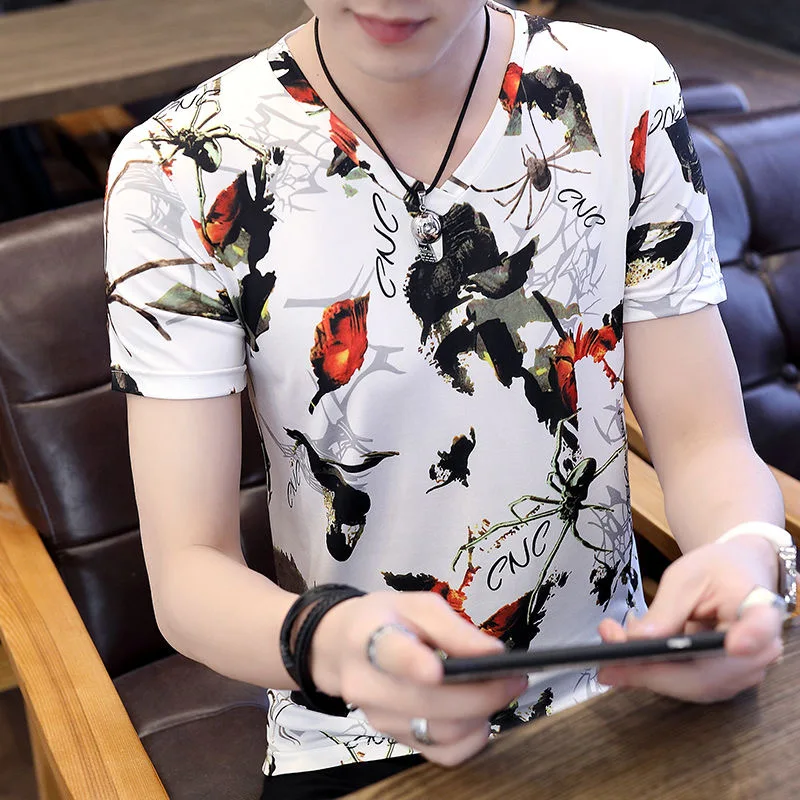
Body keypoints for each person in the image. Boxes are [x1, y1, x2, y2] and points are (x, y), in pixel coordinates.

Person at [103, 2, 795, 798]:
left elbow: (707, 443)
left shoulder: (620, 89)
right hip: (358, 732)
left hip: (627, 689)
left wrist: (747, 556)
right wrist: (335, 643)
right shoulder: (176, 170)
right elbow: (188, 573)